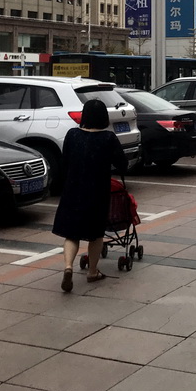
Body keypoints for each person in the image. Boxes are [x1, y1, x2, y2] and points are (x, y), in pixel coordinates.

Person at [52, 99, 127, 292]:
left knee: (71, 233)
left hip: (72, 189)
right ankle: (93, 272)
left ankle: (68, 266)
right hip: (96, 192)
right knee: (95, 235)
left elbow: (65, 161)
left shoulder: (72, 135)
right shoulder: (108, 138)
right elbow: (122, 164)